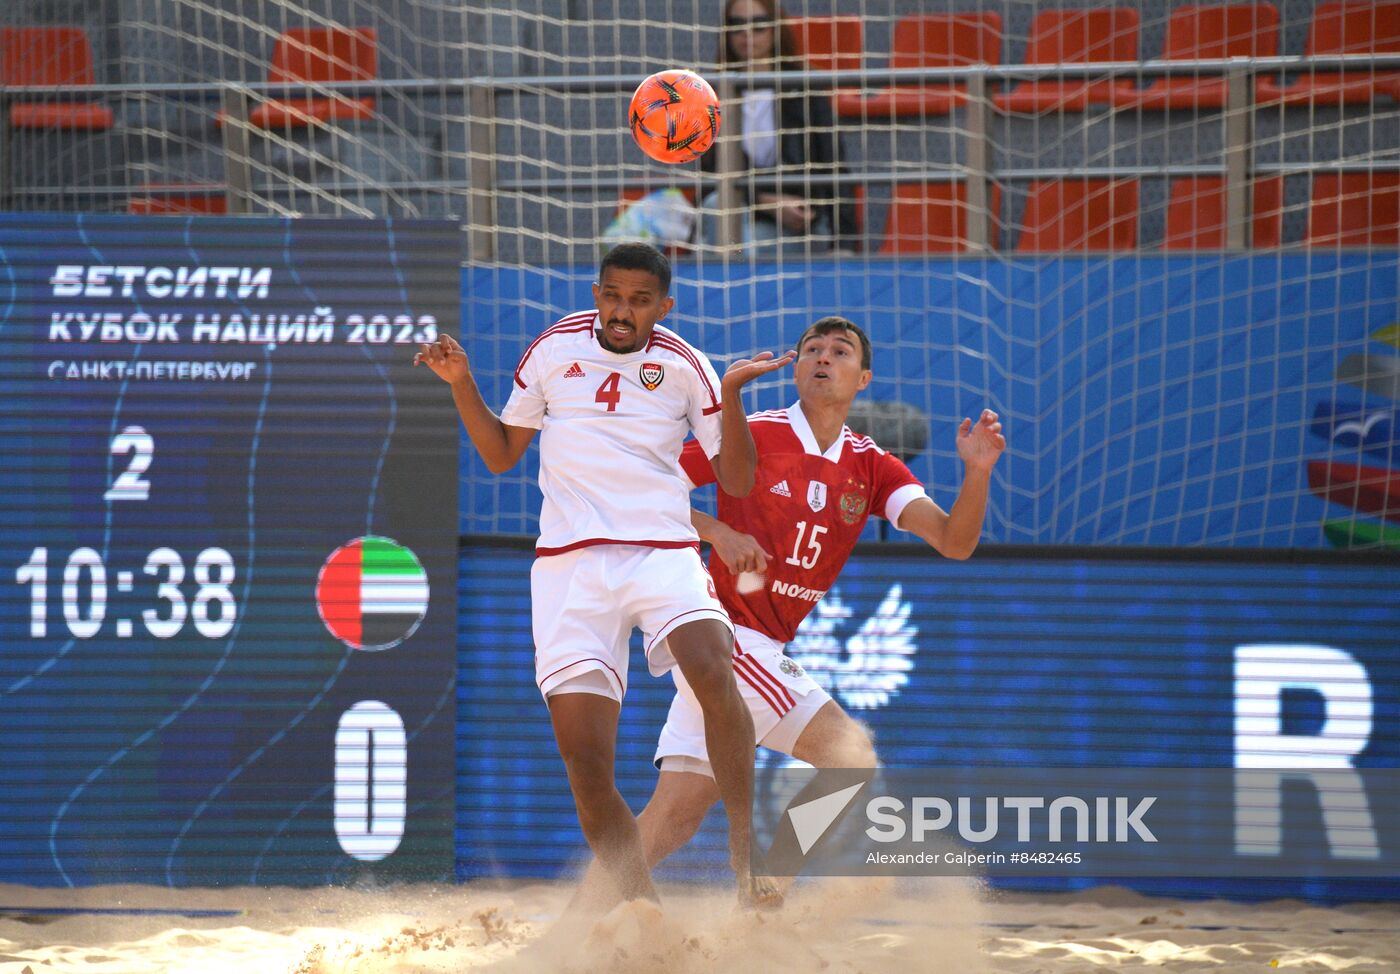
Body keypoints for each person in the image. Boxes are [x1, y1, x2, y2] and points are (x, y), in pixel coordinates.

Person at [570, 315, 1006, 911]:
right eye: (812, 350)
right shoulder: (753, 433)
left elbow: (955, 541)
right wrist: (716, 530)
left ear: (863, 378)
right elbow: (641, 489)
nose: (823, 358)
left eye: (840, 350)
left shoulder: (872, 466)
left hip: (761, 644)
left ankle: (574, 928)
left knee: (674, 817)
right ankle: (765, 895)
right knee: (849, 757)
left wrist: (977, 471)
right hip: (723, 632)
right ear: (797, 368)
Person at [414, 243, 794, 908]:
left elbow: (737, 479)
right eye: (613, 296)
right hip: (571, 570)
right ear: (597, 294)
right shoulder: (552, 351)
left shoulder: (685, 367)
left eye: (640, 299)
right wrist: (461, 384)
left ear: (663, 306)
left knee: (711, 665)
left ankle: (746, 854)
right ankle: (642, 914)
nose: (624, 311)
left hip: (661, 550)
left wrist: (731, 395)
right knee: (587, 765)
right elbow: (503, 454)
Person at [700, 0, 861, 256]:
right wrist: (766, 202)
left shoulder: (805, 89)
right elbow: (707, 181)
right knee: (715, 206)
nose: (747, 34)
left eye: (759, 25)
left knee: (729, 252)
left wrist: (844, 245)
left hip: (801, 224)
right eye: (737, 24)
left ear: (776, 28)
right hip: (743, 215)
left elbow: (834, 168)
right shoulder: (714, 95)